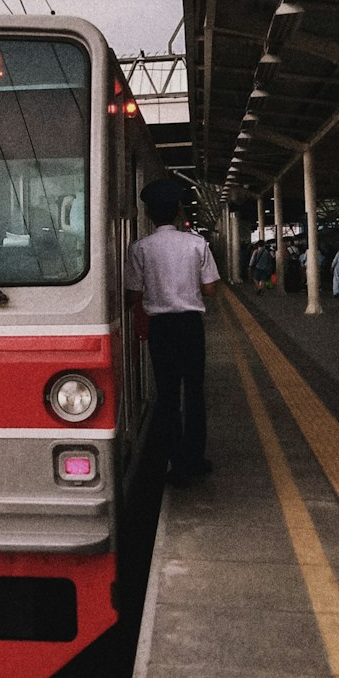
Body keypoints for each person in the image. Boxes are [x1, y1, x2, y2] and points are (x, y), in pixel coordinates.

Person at [125, 179, 221, 485]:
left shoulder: (140, 249)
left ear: (150, 214)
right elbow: (210, 289)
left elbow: (132, 296)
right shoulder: (197, 244)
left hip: (161, 329)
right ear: (180, 211)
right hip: (190, 326)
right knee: (194, 393)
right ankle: (194, 459)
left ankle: (175, 462)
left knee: (167, 397)